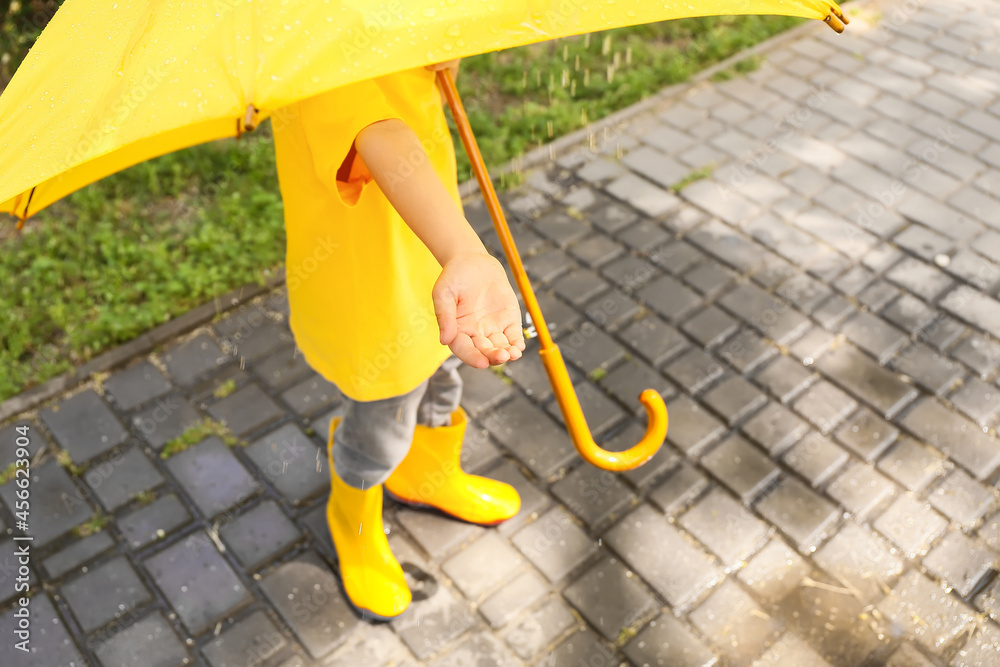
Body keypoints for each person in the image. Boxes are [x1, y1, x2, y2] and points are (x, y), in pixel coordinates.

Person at [271, 59, 526, 621]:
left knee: (441, 377)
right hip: (371, 280)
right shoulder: (312, 39)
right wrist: (463, 251)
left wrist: (445, 58)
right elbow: (379, 133)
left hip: (424, 263)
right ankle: (353, 520)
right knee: (380, 420)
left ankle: (427, 474)